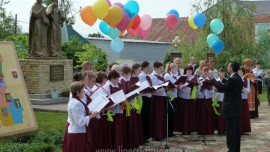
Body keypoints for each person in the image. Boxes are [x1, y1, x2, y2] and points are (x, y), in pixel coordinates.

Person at [209, 61, 243, 152]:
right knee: (235, 129)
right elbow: (227, 86)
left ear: (231, 68)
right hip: (235, 108)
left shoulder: (233, 79)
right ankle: (235, 148)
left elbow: (221, 87)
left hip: (231, 108)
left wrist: (212, 79)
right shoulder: (237, 78)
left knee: (231, 130)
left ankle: (232, 149)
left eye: (228, 66)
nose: (227, 67)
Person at [64, 82, 99, 152]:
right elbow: (80, 122)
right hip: (77, 133)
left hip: (77, 132)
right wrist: (92, 116)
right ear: (78, 92)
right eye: (83, 91)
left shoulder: (74, 101)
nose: (84, 92)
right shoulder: (77, 104)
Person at [103, 70, 124, 151]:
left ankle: (118, 147)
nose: (118, 81)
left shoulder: (115, 84)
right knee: (114, 131)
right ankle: (115, 147)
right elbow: (107, 99)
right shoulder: (107, 86)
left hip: (118, 109)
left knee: (118, 130)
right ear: (112, 78)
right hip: (112, 112)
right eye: (116, 79)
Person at [176, 65, 198, 134]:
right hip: (182, 98)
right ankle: (183, 129)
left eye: (191, 70)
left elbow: (197, 87)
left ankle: (189, 129)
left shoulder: (194, 78)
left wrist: (195, 86)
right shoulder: (181, 77)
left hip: (190, 97)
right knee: (183, 114)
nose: (189, 72)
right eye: (188, 70)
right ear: (185, 71)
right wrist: (182, 86)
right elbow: (177, 86)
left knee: (190, 114)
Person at [150, 61, 167, 140]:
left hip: (162, 97)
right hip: (156, 98)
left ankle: (162, 133)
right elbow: (153, 88)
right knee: (157, 117)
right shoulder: (153, 76)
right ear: (155, 68)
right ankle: (157, 134)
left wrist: (166, 87)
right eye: (160, 68)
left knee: (161, 116)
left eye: (162, 68)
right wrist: (162, 86)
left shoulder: (160, 76)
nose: (162, 69)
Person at [196, 66, 215, 135]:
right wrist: (200, 89)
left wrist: (211, 87)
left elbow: (213, 90)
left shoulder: (209, 79)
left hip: (208, 98)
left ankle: (208, 130)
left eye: (207, 71)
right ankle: (201, 130)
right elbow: (196, 90)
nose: (206, 73)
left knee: (208, 114)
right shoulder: (198, 79)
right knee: (201, 115)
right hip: (201, 99)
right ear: (201, 72)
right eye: (204, 71)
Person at [129, 63, 144, 146]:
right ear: (135, 70)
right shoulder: (131, 78)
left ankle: (138, 139)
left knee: (138, 118)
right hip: (133, 101)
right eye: (139, 69)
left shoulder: (137, 77)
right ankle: (134, 140)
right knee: (134, 119)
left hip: (138, 99)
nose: (140, 71)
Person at [139, 61, 152, 142]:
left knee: (147, 117)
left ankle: (147, 136)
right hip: (144, 97)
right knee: (144, 117)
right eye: (147, 67)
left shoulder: (148, 75)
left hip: (149, 96)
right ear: (143, 68)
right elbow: (141, 87)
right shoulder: (141, 76)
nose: (149, 68)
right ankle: (144, 136)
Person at [164, 62, 179, 137]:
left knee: (173, 114)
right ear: (172, 69)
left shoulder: (174, 76)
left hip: (174, 96)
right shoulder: (167, 76)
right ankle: (168, 131)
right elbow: (167, 87)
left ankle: (171, 131)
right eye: (176, 68)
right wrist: (174, 87)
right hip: (169, 96)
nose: (177, 69)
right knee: (170, 114)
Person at [214, 67, 227, 134]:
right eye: (220, 72)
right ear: (218, 73)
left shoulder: (227, 80)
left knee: (224, 115)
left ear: (224, 73)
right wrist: (216, 90)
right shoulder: (216, 80)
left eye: (222, 72)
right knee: (219, 115)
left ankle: (224, 129)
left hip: (224, 99)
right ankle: (219, 129)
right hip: (218, 99)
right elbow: (214, 90)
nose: (221, 73)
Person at [238, 67, 251, 134]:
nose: (238, 72)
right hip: (237, 99)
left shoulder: (247, 80)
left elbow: (248, 90)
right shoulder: (236, 79)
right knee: (238, 114)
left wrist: (243, 88)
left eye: (240, 71)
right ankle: (238, 129)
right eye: (238, 71)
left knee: (244, 114)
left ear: (243, 72)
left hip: (244, 98)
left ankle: (244, 128)